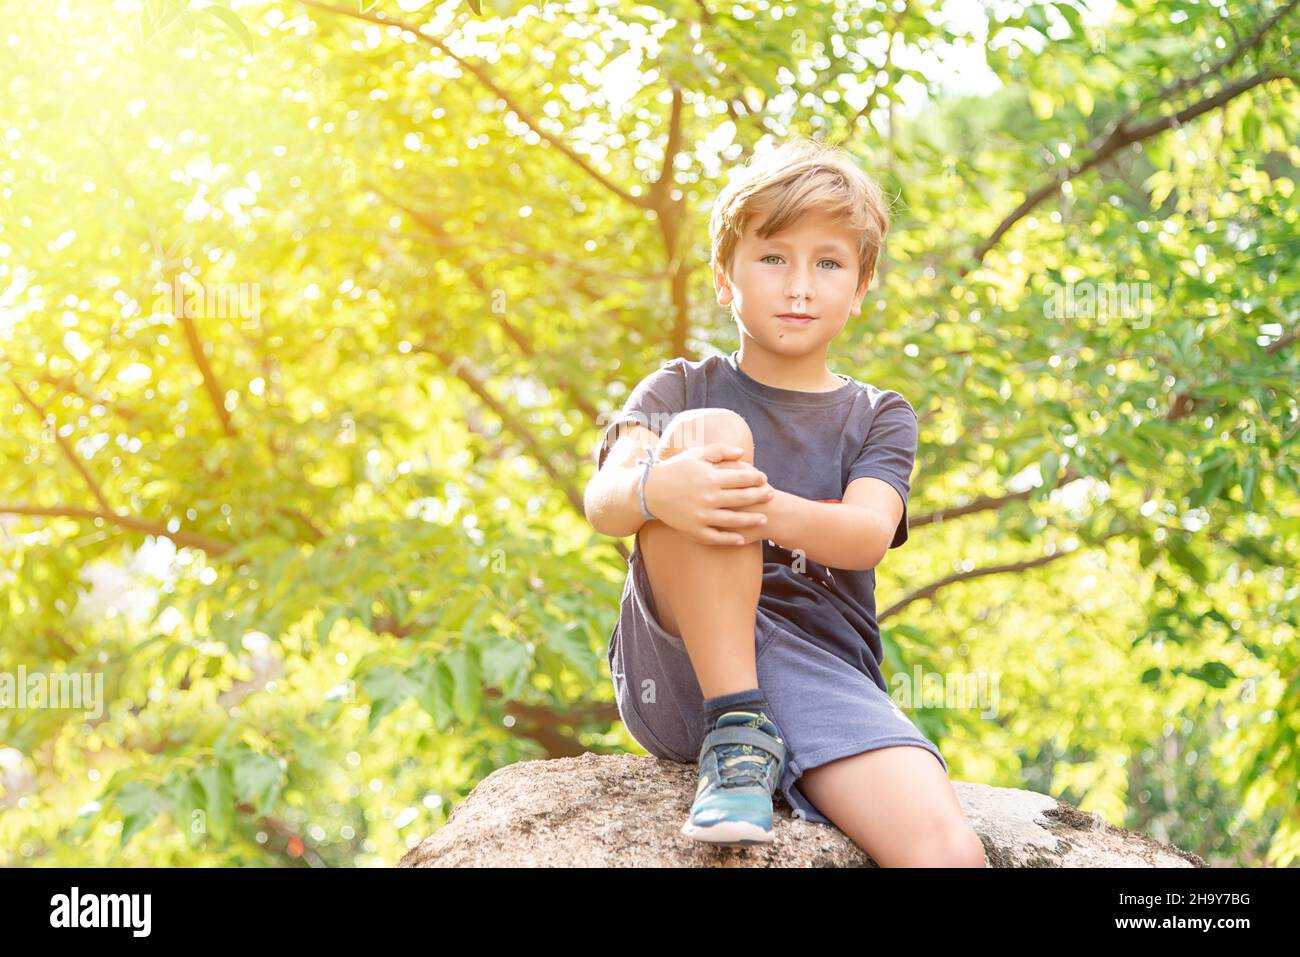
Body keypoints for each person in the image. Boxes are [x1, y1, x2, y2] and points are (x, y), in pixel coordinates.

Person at [583, 138, 985, 866]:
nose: (799, 286)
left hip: (820, 671)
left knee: (945, 846)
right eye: (773, 258)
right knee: (711, 435)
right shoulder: (679, 388)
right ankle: (734, 728)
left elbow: (865, 533)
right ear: (724, 277)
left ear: (860, 287)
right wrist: (659, 487)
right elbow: (605, 499)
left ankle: (762, 735)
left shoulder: (877, 414)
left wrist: (752, 503)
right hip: (681, 664)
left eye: (828, 263)